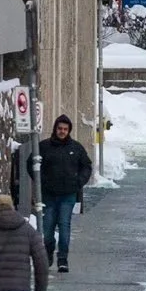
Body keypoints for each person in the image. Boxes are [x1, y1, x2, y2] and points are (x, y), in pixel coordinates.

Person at [34, 115, 93, 273]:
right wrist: (41, 181)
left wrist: (79, 181)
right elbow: (31, 163)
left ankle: (62, 259)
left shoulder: (76, 148)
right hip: (48, 195)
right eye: (60, 128)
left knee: (64, 226)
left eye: (65, 129)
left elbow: (87, 166)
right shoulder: (44, 147)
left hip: (68, 195)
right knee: (47, 229)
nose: (62, 131)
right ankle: (48, 253)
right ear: (55, 129)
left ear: (69, 131)